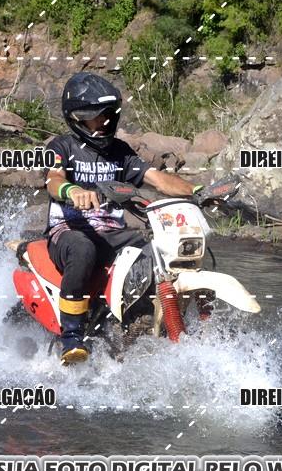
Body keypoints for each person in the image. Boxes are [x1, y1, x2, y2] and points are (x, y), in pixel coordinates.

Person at [44, 73, 200, 364]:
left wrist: (198, 191)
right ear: (77, 118)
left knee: (158, 252)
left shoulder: (120, 152)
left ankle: (146, 321)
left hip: (112, 233)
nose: (103, 121)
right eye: (96, 116)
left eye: (107, 115)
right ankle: (72, 337)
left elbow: (159, 180)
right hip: (69, 229)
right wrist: (72, 190)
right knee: (83, 249)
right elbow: (53, 179)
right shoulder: (61, 147)